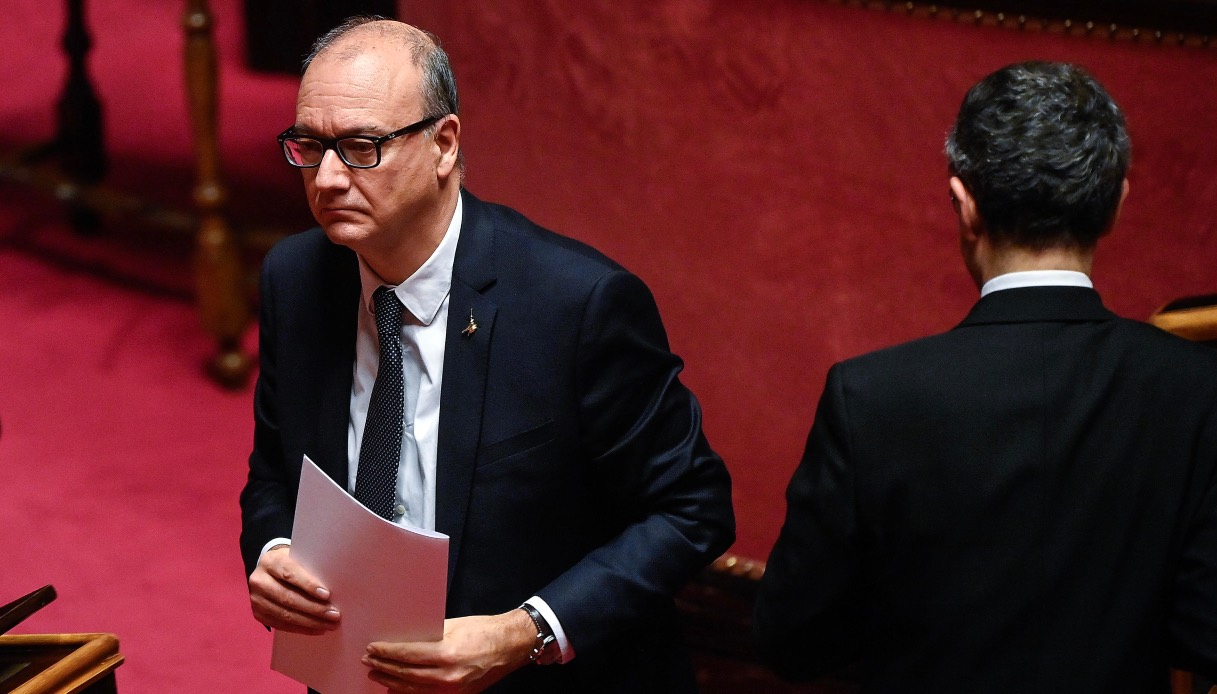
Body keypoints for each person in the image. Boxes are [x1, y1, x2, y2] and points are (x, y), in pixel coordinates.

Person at [238, 16, 734, 694]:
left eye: (359, 148)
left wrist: (525, 632)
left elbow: (693, 508)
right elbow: (274, 473)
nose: (325, 179)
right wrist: (272, 550)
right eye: (308, 146)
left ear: (443, 145)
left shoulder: (577, 306)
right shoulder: (295, 279)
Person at [754, 61, 1217, 693]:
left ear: (964, 203)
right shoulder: (1197, 389)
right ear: (1116, 205)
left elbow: (793, 639)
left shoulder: (871, 397)